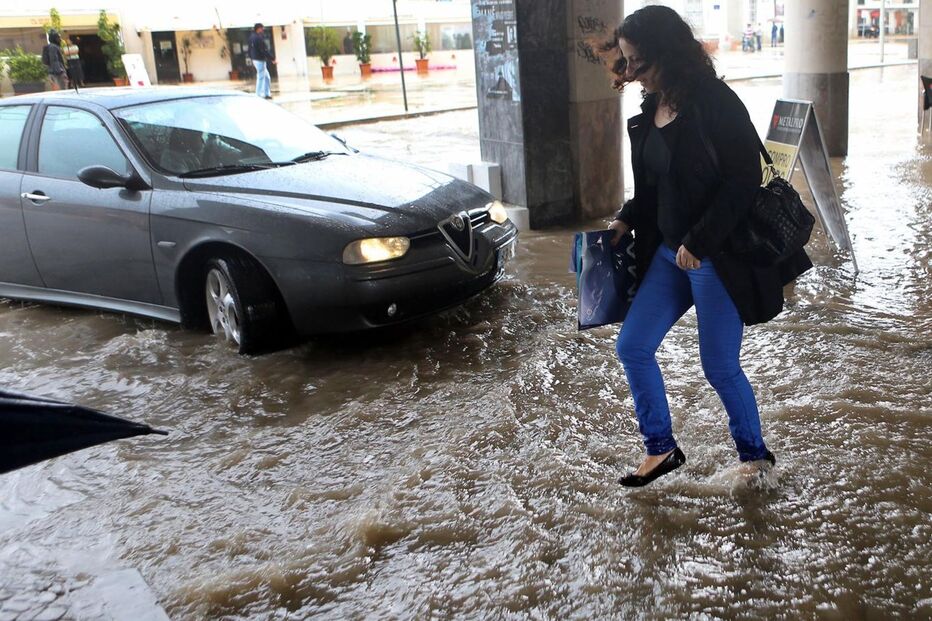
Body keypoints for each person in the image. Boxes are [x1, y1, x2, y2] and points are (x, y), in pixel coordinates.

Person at [600, 6, 812, 487]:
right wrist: (625, 219)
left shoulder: (716, 102)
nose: (631, 73)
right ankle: (661, 449)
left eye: (639, 62)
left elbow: (741, 182)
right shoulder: (649, 110)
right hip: (669, 253)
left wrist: (700, 241)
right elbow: (654, 188)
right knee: (632, 346)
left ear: (667, 54)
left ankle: (755, 459)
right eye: (627, 62)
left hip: (717, 255)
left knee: (718, 366)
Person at [248, 23, 276, 99]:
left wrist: (251, 57)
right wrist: (272, 58)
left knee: (267, 77)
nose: (263, 30)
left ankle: (267, 93)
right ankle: (258, 95)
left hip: (255, 59)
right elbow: (263, 50)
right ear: (258, 29)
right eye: (262, 28)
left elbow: (249, 49)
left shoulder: (251, 37)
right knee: (261, 77)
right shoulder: (258, 38)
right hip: (260, 60)